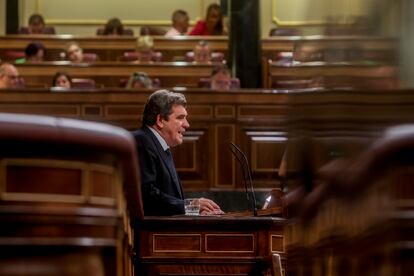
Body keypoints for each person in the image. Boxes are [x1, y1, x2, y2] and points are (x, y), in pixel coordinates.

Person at [132, 90, 224, 216]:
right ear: (160, 120)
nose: (187, 124)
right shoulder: (142, 141)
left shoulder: (156, 144)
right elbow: (146, 195)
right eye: (180, 118)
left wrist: (196, 210)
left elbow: (169, 199)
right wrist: (191, 206)